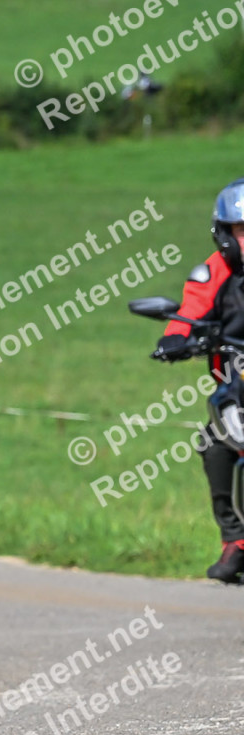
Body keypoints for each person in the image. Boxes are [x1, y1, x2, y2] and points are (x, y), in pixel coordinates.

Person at [153, 178, 244, 583]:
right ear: (224, 234)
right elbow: (190, 311)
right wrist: (176, 339)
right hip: (236, 382)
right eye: (242, 230)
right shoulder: (214, 271)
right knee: (215, 443)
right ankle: (235, 539)